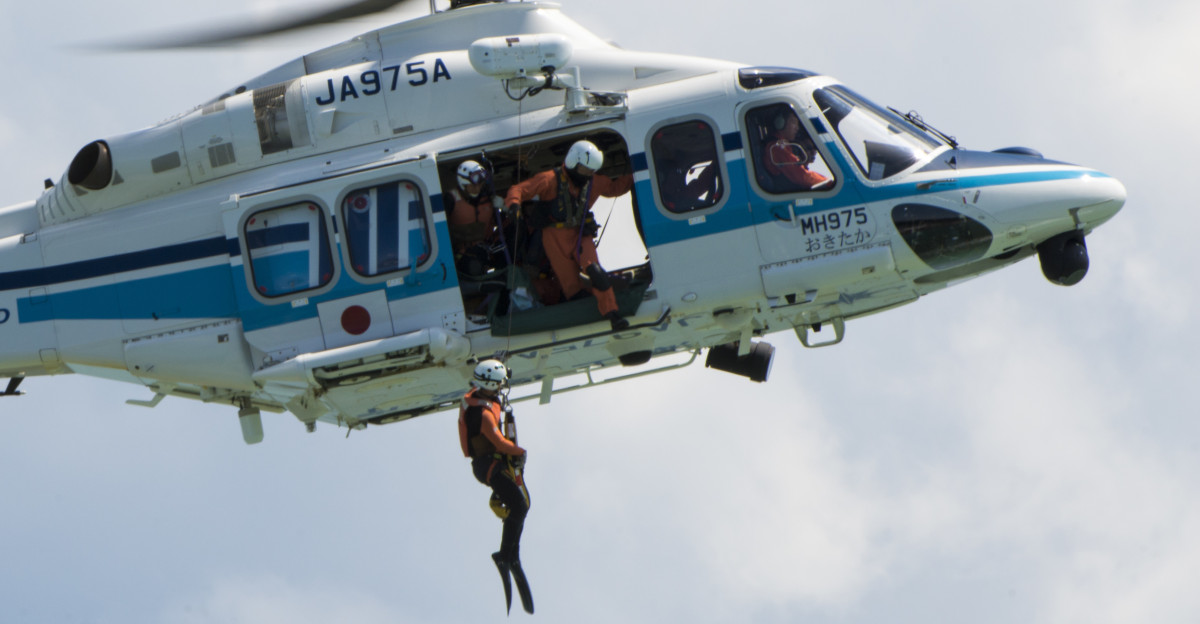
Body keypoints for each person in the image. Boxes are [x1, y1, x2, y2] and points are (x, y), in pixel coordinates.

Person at [504, 140, 633, 331]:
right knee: (572, 289)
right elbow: (519, 190)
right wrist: (514, 205)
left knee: (596, 271)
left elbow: (615, 188)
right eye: (585, 170)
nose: (588, 175)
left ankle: (612, 313)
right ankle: (595, 302)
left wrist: (638, 168)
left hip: (580, 234)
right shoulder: (550, 179)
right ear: (573, 162)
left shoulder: (594, 181)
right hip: (554, 238)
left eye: (592, 171)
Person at [458, 359, 534, 614]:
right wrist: (520, 451)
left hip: (493, 461)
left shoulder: (481, 394)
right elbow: (498, 442)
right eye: (499, 385)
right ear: (489, 386)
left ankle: (511, 554)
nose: (501, 388)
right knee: (520, 506)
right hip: (487, 465)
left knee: (521, 506)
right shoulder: (481, 414)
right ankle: (505, 555)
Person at [448, 160, 505, 276]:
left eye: (480, 184)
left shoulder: (488, 198)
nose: (477, 188)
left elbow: (501, 222)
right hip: (463, 254)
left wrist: (505, 207)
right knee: (474, 268)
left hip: (487, 248)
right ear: (463, 183)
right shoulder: (451, 200)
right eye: (473, 185)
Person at [763, 112, 830, 191]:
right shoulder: (777, 148)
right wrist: (828, 182)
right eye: (793, 122)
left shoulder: (783, 145)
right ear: (780, 123)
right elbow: (800, 175)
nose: (797, 128)